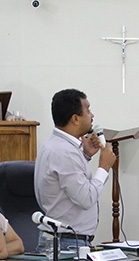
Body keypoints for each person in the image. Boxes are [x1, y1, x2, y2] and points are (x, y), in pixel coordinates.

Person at [34, 88, 117, 250]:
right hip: (66, 243)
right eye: (88, 110)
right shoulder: (64, 152)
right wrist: (104, 167)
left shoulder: (57, 145)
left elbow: (66, 184)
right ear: (75, 119)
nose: (92, 115)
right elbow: (85, 198)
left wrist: (85, 156)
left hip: (65, 239)